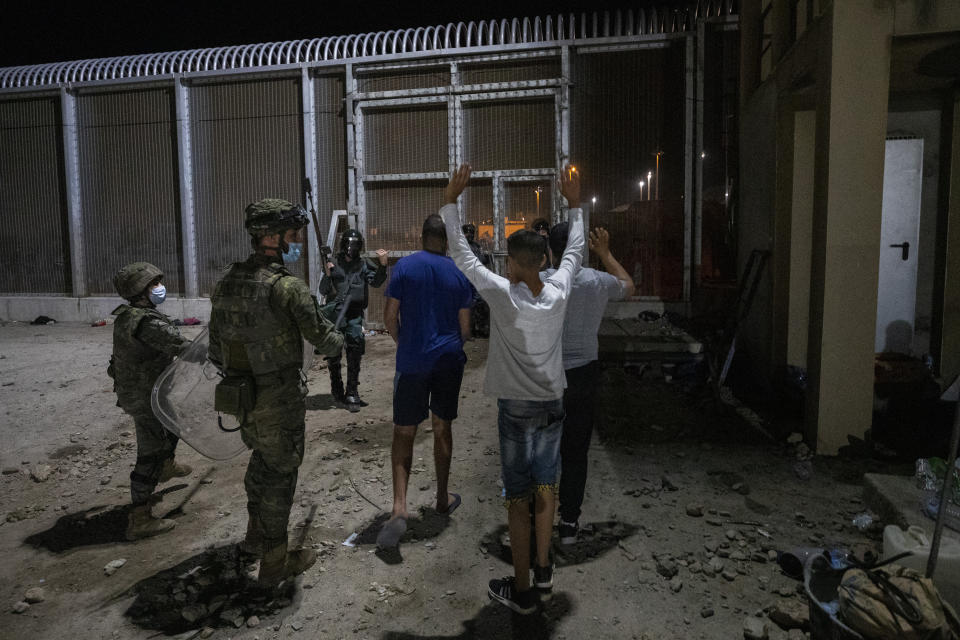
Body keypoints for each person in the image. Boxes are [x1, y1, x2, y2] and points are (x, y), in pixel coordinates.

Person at [441, 163, 584, 615]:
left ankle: (521, 591)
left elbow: (463, 257)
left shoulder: (502, 295)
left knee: (517, 497)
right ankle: (544, 571)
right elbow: (576, 251)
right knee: (547, 489)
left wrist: (450, 201)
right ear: (544, 260)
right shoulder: (559, 290)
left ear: (513, 261)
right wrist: (575, 204)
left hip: (516, 411)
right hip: (552, 404)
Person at [208, 198, 343, 588]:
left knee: (261, 464)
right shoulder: (287, 288)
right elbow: (326, 342)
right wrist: (336, 333)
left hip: (241, 396)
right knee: (281, 475)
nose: (297, 240)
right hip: (278, 399)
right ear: (272, 238)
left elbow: (215, 346)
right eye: (292, 234)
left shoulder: (228, 280)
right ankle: (274, 563)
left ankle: (254, 538)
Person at [376, 214, 474, 549]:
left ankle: (399, 508)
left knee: (404, 432)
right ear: (446, 240)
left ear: (421, 236)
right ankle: (443, 498)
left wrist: (405, 342)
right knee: (442, 426)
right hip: (447, 360)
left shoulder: (404, 268)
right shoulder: (458, 273)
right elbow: (465, 329)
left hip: (413, 361)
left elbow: (389, 317)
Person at [542, 224, 635, 544]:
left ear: (551, 251)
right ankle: (569, 523)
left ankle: (537, 522)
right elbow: (628, 285)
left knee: (542, 451)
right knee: (576, 451)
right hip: (583, 375)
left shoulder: (540, 282)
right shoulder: (596, 281)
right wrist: (605, 253)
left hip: (547, 376)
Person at [109, 262, 192, 540]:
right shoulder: (147, 322)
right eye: (153, 284)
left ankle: (166, 465)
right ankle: (140, 518)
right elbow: (183, 348)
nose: (160, 287)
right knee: (149, 454)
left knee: (173, 425)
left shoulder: (129, 315)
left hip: (147, 390)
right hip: (145, 397)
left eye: (159, 281)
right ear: (139, 290)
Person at [318, 229, 388, 411]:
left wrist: (383, 266)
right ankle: (337, 389)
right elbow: (323, 290)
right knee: (334, 349)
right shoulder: (333, 262)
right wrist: (327, 273)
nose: (351, 248)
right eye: (349, 244)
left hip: (354, 313)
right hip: (336, 314)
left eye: (355, 245)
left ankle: (352, 391)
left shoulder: (363, 264)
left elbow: (376, 282)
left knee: (355, 345)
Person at [462, 223, 491, 338]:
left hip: (477, 279)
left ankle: (480, 329)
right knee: (470, 303)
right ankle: (471, 330)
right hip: (467, 279)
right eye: (467, 232)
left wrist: (487, 257)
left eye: (471, 232)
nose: (469, 235)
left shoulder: (476, 246)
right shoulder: (462, 247)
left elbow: (482, 259)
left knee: (479, 303)